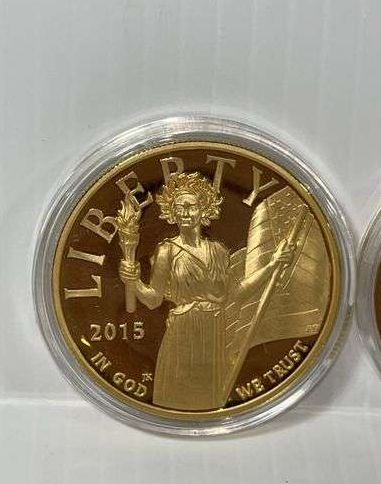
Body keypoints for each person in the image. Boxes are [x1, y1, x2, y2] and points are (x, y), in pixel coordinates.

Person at [119, 172, 293, 411]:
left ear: (204, 210)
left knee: (210, 402)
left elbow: (236, 294)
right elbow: (153, 301)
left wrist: (272, 265)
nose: (185, 213)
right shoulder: (167, 251)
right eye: (179, 208)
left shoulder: (218, 251)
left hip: (213, 335)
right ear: (172, 212)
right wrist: (134, 282)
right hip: (182, 334)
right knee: (177, 401)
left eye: (191, 207)